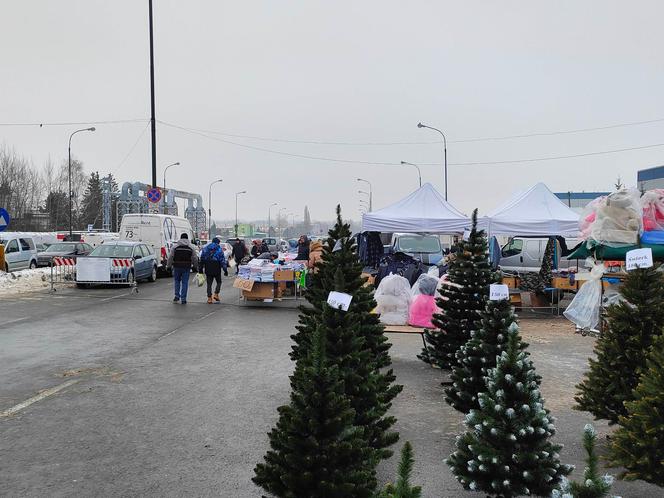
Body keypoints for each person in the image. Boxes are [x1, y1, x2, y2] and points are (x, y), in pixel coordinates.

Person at [167, 233, 199, 304]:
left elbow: (170, 257)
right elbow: (194, 258)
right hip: (186, 267)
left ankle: (176, 296)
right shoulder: (191, 247)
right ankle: (183, 298)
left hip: (177, 266)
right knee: (185, 282)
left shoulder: (175, 247)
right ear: (187, 239)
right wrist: (195, 266)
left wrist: (168, 266)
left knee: (177, 281)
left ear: (180, 238)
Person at [199, 237, 228, 304]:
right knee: (219, 282)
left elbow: (202, 259)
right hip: (216, 267)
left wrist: (200, 268)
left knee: (209, 284)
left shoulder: (206, 249)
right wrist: (225, 270)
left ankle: (209, 298)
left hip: (208, 267)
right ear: (218, 242)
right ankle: (216, 294)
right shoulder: (219, 250)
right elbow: (222, 261)